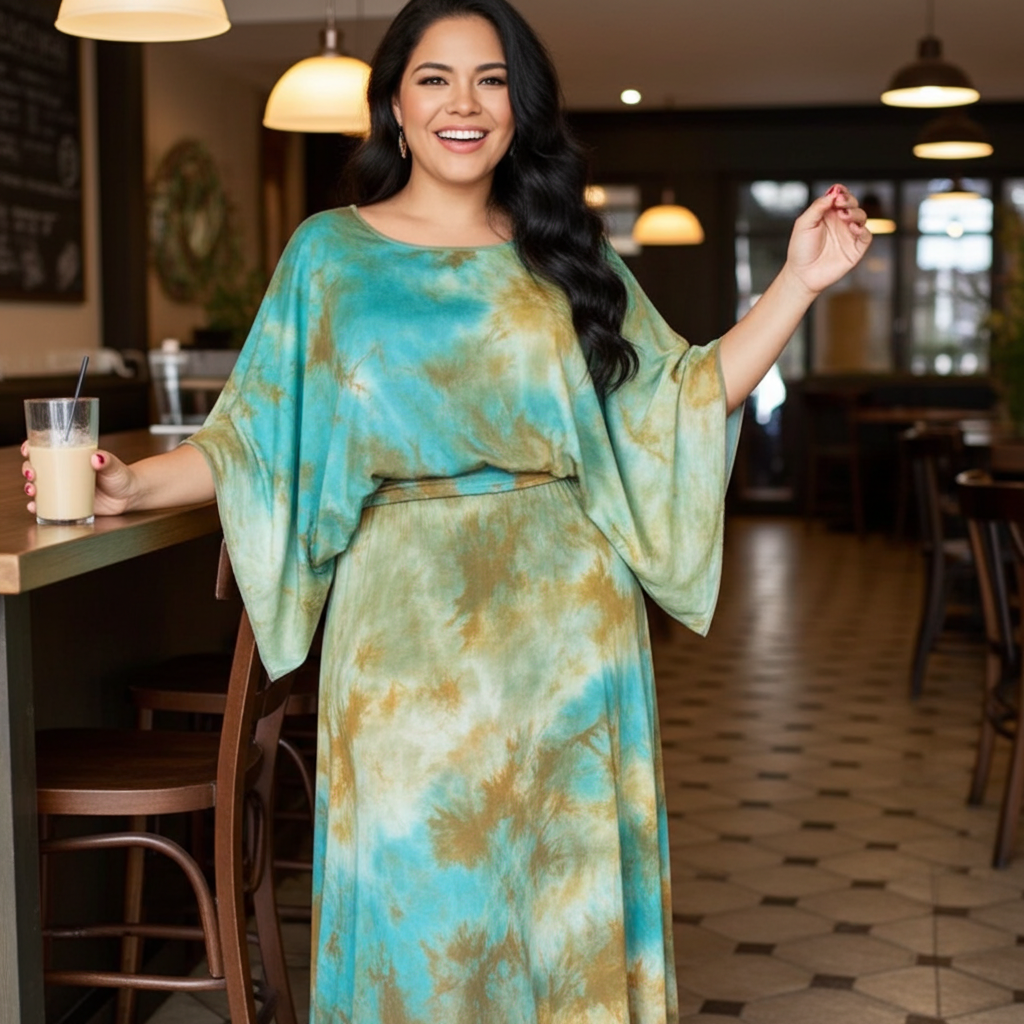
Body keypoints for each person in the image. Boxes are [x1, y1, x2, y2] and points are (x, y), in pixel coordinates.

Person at [23, 0, 869, 1019]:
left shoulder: (563, 254)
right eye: (435, 78)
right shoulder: (329, 255)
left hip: (570, 640)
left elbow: (680, 396)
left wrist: (797, 280)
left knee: (562, 909)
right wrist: (127, 483)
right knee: (413, 907)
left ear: (521, 106)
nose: (463, 104)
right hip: (401, 645)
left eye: (491, 79)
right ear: (393, 100)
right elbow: (258, 431)